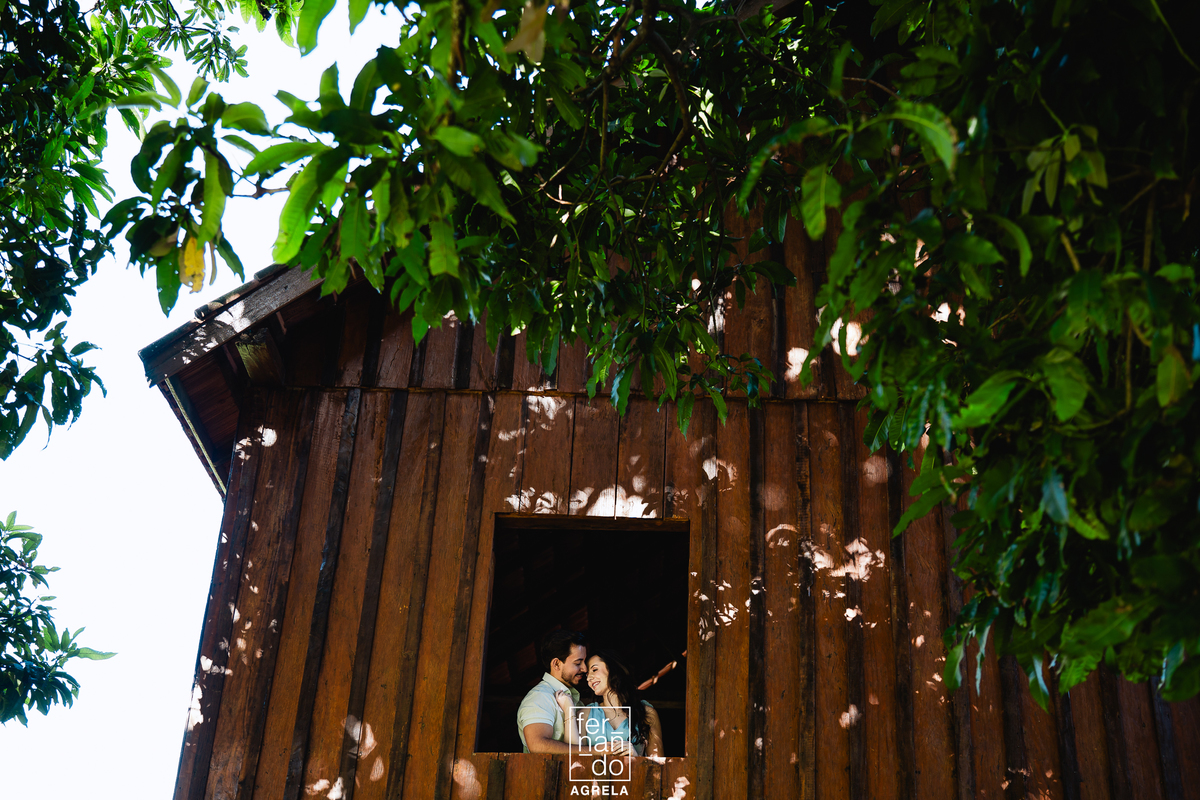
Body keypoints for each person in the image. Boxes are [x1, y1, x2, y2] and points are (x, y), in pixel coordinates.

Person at [556, 648, 663, 757]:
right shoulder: (585, 714)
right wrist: (569, 710)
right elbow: (573, 760)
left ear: (613, 668)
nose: (589, 678)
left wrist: (635, 759)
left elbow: (659, 765)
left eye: (594, 670)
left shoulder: (647, 713)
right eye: (587, 675)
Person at [516, 629, 587, 753]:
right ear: (556, 664)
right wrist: (596, 751)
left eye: (584, 662)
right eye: (578, 663)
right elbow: (537, 746)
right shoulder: (540, 697)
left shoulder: (576, 701)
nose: (585, 668)